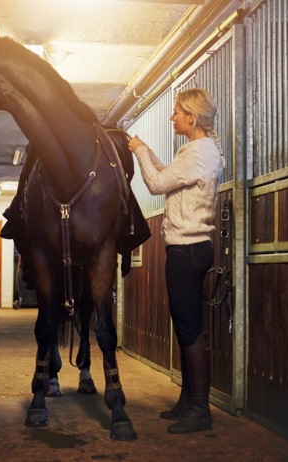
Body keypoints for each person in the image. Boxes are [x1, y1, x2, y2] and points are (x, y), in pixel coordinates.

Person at [127, 88, 224, 434]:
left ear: (192, 119)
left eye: (176, 112)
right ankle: (188, 401)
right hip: (193, 247)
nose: (172, 118)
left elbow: (155, 184)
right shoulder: (202, 151)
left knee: (189, 330)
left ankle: (200, 409)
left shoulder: (196, 153)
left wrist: (139, 153)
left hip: (186, 249)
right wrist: (149, 151)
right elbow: (170, 175)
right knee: (186, 328)